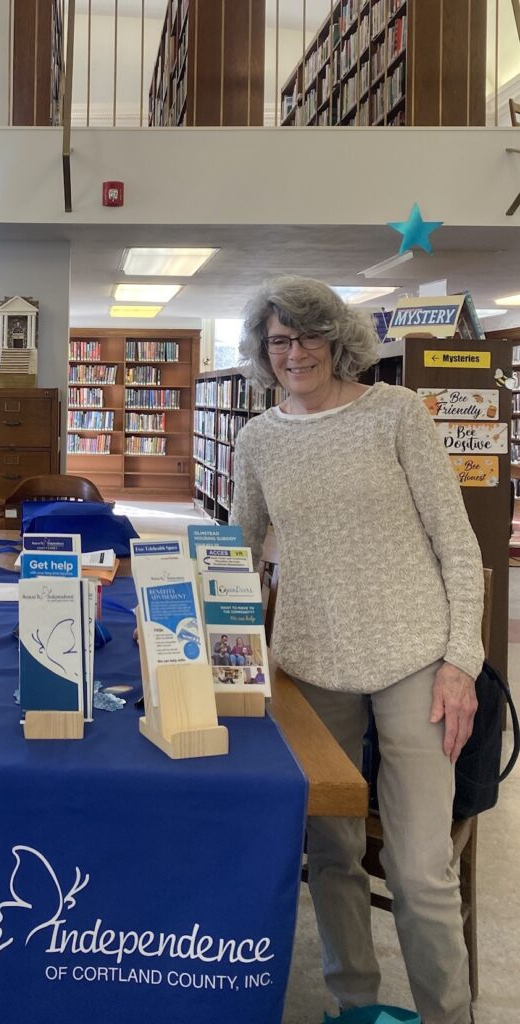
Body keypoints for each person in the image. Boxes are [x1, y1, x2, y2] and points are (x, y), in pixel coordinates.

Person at [230, 276, 483, 1024]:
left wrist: (461, 662)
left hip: (416, 658)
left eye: (310, 336)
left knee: (419, 868)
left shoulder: (396, 414)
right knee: (332, 854)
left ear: (339, 342)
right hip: (310, 662)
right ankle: (355, 1005)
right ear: (263, 350)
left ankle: (449, 1015)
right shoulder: (257, 438)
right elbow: (236, 548)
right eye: (280, 339)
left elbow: (457, 545)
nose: (296, 352)